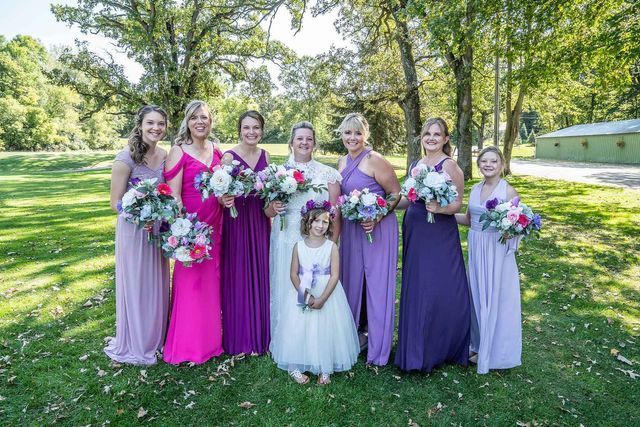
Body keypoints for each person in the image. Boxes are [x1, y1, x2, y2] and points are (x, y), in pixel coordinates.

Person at [395, 117, 470, 373]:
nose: (431, 138)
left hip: (438, 232)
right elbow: (408, 198)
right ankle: (415, 344)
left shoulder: (450, 166)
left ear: (446, 139)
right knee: (417, 284)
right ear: (421, 137)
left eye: (437, 134)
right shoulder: (416, 164)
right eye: (427, 133)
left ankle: (440, 346)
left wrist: (439, 208)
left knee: (437, 285)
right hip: (416, 229)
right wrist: (385, 205)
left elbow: (457, 204)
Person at [105, 105, 170, 365]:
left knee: (157, 283)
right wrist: (140, 215)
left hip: (157, 229)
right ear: (140, 125)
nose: (156, 128)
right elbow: (115, 202)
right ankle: (137, 341)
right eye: (151, 123)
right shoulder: (126, 158)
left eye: (161, 124)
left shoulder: (165, 155)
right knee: (137, 283)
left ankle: (157, 337)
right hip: (134, 230)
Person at [270, 202, 359, 385]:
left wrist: (323, 298)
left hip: (327, 293)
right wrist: (307, 297)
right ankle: (294, 365)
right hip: (303, 290)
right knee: (297, 328)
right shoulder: (298, 246)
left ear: (329, 224)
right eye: (316, 221)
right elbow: (293, 274)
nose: (320, 225)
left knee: (327, 328)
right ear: (307, 222)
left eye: (325, 222)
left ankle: (325, 367)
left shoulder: (331, 247)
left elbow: (335, 276)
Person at [162, 100, 224, 364]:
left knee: (212, 284)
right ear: (187, 121)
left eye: (205, 118)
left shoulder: (217, 151)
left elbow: (222, 189)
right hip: (191, 230)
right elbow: (173, 196)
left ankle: (211, 343)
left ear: (211, 122)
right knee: (190, 285)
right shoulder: (178, 151)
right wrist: (183, 233)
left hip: (217, 226)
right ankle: (187, 345)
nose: (200, 122)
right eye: (195, 117)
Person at [336, 113, 400, 366]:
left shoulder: (375, 160)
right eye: (348, 133)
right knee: (350, 282)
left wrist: (379, 214)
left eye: (358, 133)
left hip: (378, 229)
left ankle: (378, 347)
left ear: (366, 135)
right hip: (352, 230)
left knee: (377, 284)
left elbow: (395, 193)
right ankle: (352, 338)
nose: (353, 138)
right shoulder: (341, 161)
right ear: (342, 134)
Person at [268, 121, 342, 338]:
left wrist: (331, 246)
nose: (304, 142)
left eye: (309, 139)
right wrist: (273, 207)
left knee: (311, 281)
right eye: (300, 138)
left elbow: (335, 215)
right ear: (291, 142)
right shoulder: (278, 173)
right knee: (286, 281)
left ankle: (310, 334)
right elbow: (267, 213)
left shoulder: (327, 174)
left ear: (315, 144)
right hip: (285, 237)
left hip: (315, 242)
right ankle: (286, 335)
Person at [455, 146, 522, 374]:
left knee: (496, 297)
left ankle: (496, 351)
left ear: (501, 164)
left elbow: (518, 226)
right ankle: (478, 344)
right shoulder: (475, 189)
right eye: (484, 161)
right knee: (476, 296)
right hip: (476, 248)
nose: (488, 165)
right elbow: (467, 219)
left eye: (493, 161)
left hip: (496, 251)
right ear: (479, 164)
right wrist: (439, 212)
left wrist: (509, 232)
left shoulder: (509, 192)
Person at [220, 111, 271, 355]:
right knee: (238, 274)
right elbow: (218, 191)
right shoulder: (228, 157)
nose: (251, 132)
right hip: (237, 220)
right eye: (247, 127)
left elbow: (269, 190)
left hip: (260, 219)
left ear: (262, 130)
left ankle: (261, 334)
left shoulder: (265, 155)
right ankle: (240, 337)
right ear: (239, 129)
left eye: (256, 128)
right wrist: (224, 199)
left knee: (260, 272)